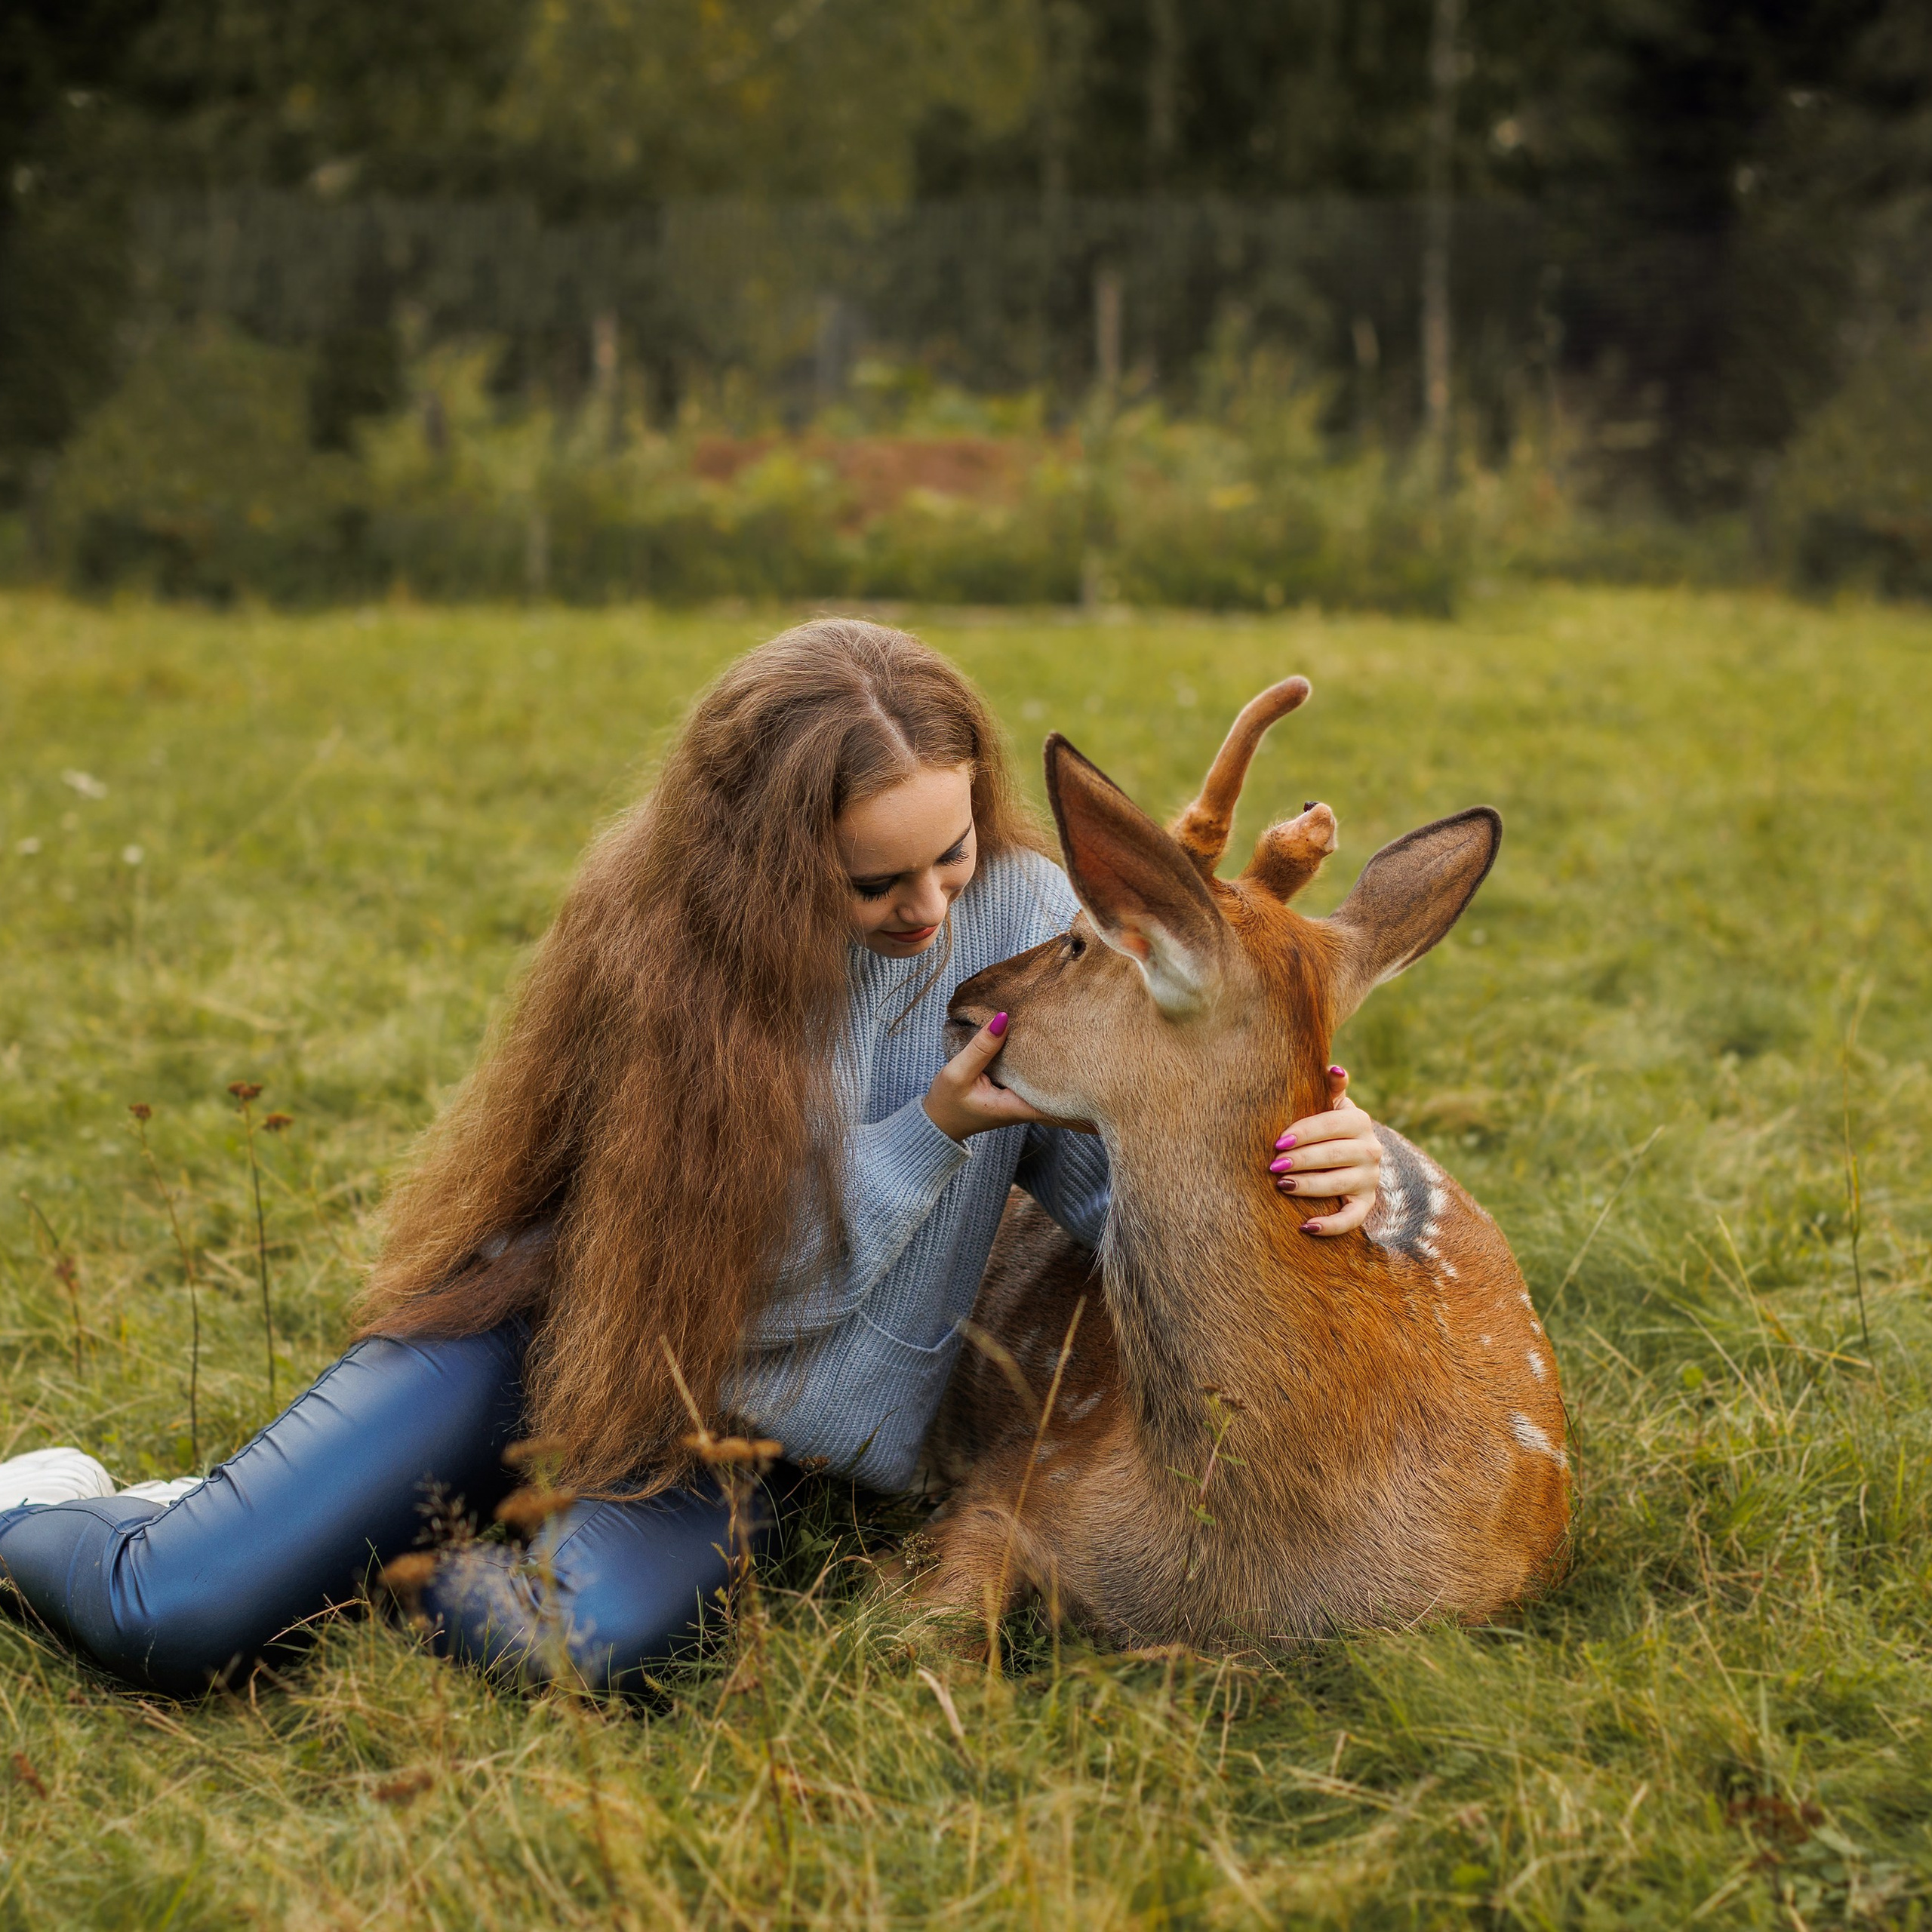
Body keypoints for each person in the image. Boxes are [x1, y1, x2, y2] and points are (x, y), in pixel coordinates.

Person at [0, 620, 1383, 1697]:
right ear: (771, 862)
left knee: (574, 1647)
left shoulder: (1023, 915)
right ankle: (71, 1508)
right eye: (875, 882)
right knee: (170, 1617)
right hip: (556, 1337)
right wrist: (939, 1127)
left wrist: (1320, 1163)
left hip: (743, 1447)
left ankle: (348, 1540)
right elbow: (742, 1298)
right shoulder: (678, 962)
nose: (933, 910)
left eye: (955, 854)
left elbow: (1122, 1190)